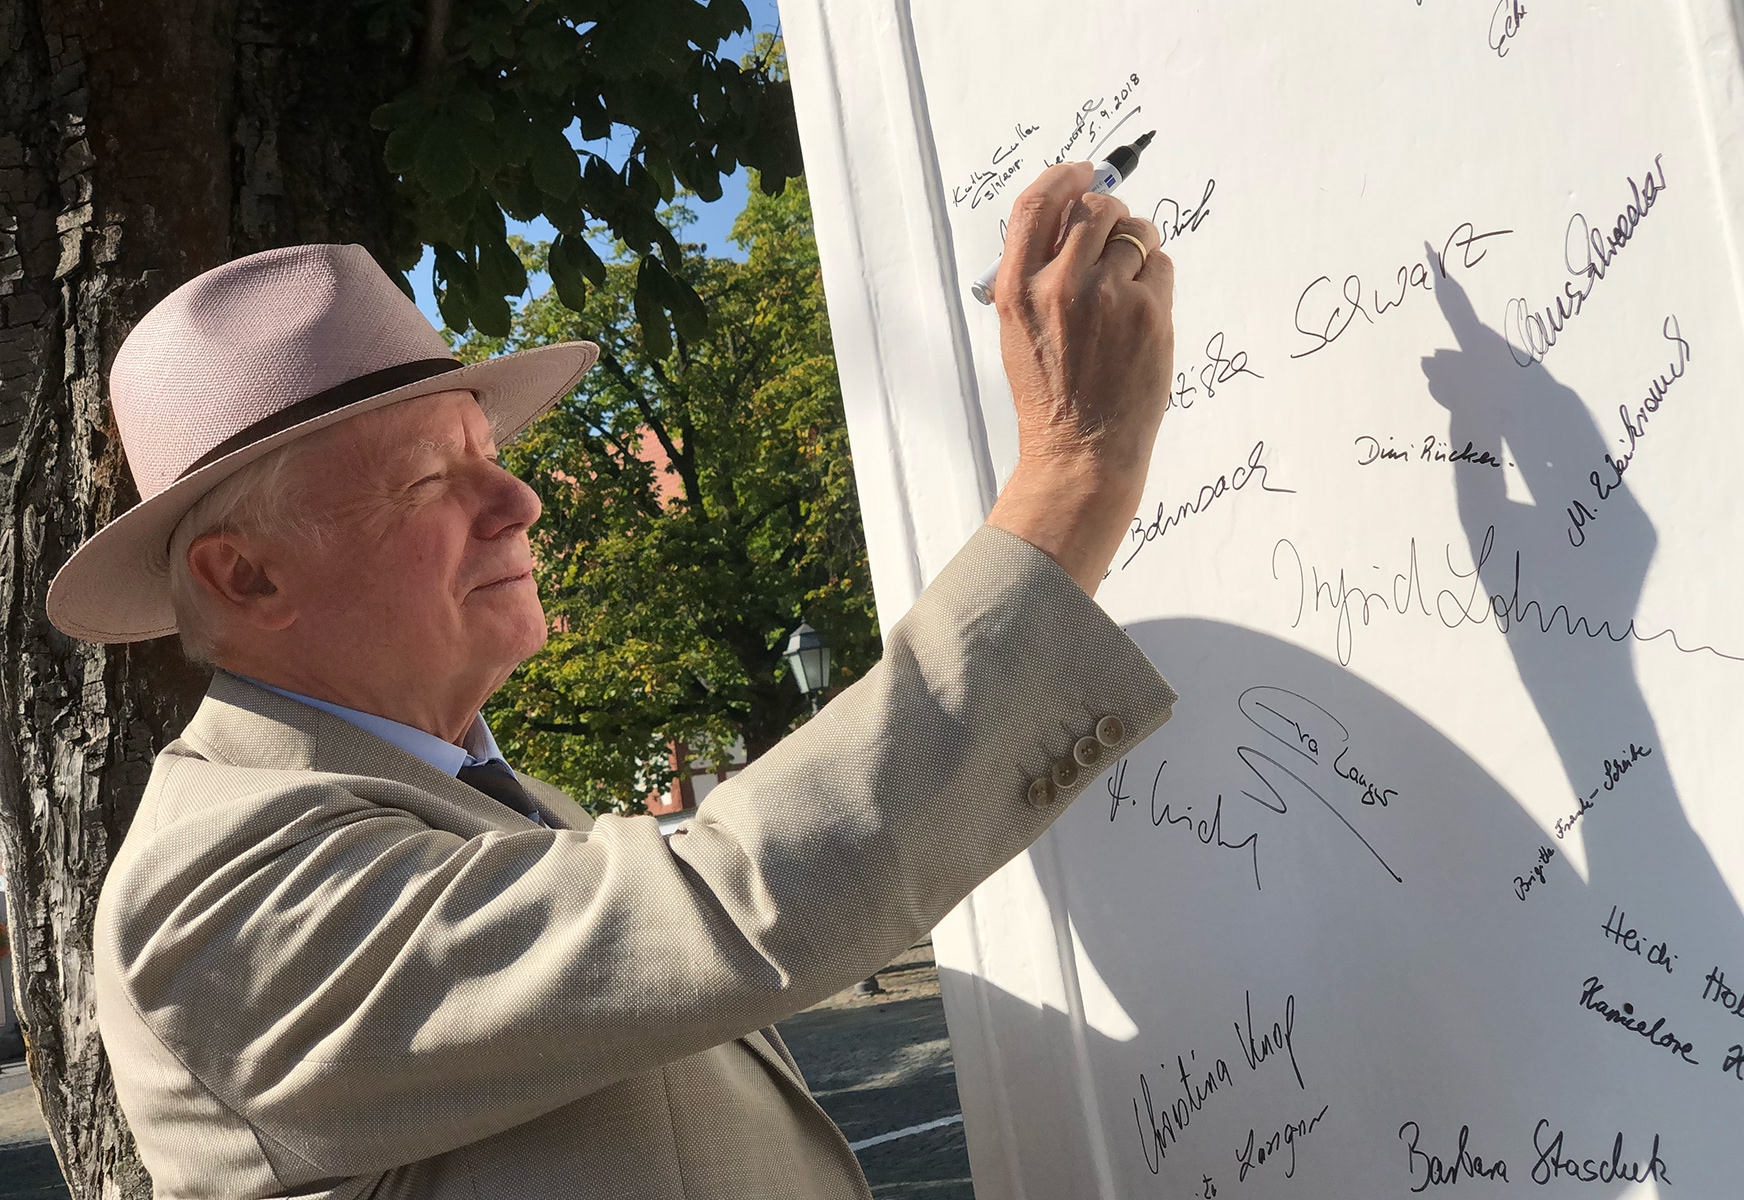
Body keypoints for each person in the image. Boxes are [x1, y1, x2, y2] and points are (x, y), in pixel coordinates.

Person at [48, 163, 1178, 1199]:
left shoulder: (505, 806)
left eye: (490, 455)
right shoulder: (211, 888)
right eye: (430, 481)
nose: (518, 504)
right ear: (245, 575)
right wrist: (1075, 473)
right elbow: (731, 908)